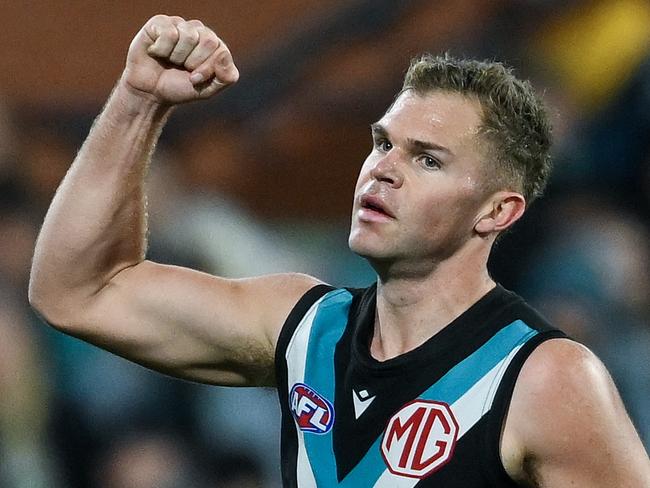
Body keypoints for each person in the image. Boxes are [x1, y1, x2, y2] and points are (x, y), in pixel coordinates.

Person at [29, 14, 650, 487]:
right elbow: (76, 290)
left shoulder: (548, 380)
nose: (382, 171)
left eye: (427, 159)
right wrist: (139, 101)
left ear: (497, 211)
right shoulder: (304, 326)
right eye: (382, 144)